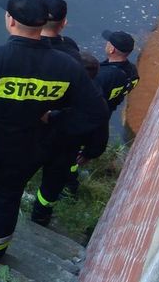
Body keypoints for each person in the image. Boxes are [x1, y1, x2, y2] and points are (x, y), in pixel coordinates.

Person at [0, 0, 108, 262]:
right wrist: (54, 120)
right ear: (43, 24)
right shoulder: (67, 67)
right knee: (5, 199)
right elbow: (95, 112)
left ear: (10, 20)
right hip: (26, 148)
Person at [29, 49, 109, 226]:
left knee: (32, 175)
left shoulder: (62, 89)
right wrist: (90, 153)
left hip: (44, 142)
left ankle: (31, 210)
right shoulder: (97, 100)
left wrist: (48, 117)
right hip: (66, 150)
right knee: (52, 186)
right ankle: (40, 216)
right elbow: (100, 133)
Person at [98, 29, 139, 112]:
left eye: (108, 42)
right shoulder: (133, 71)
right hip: (107, 111)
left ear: (111, 49)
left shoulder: (103, 75)